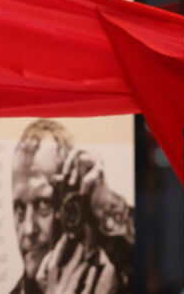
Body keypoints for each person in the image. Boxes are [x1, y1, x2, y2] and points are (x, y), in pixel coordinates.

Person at [10, 119, 135, 294]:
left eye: (44, 205)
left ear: (74, 205)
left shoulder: (120, 273)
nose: (28, 229)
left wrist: (107, 207)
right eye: (20, 209)